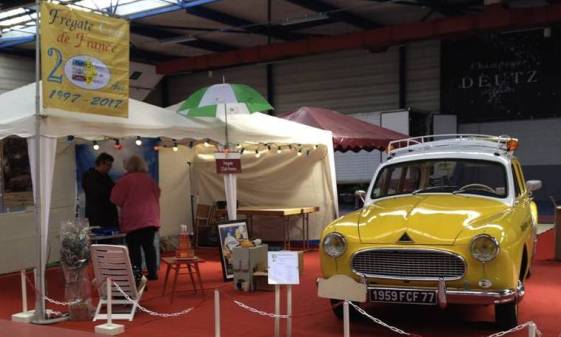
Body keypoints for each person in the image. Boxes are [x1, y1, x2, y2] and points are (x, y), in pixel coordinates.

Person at [111, 155, 161, 280]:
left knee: (134, 248)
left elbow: (115, 198)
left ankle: (137, 275)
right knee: (149, 246)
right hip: (150, 217)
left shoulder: (125, 180)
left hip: (133, 219)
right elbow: (158, 193)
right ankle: (153, 273)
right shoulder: (149, 179)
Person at [82, 153, 118, 228]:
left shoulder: (106, 177)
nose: (110, 168)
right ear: (101, 163)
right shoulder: (90, 176)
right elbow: (96, 194)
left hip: (108, 217)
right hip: (97, 217)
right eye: (109, 165)